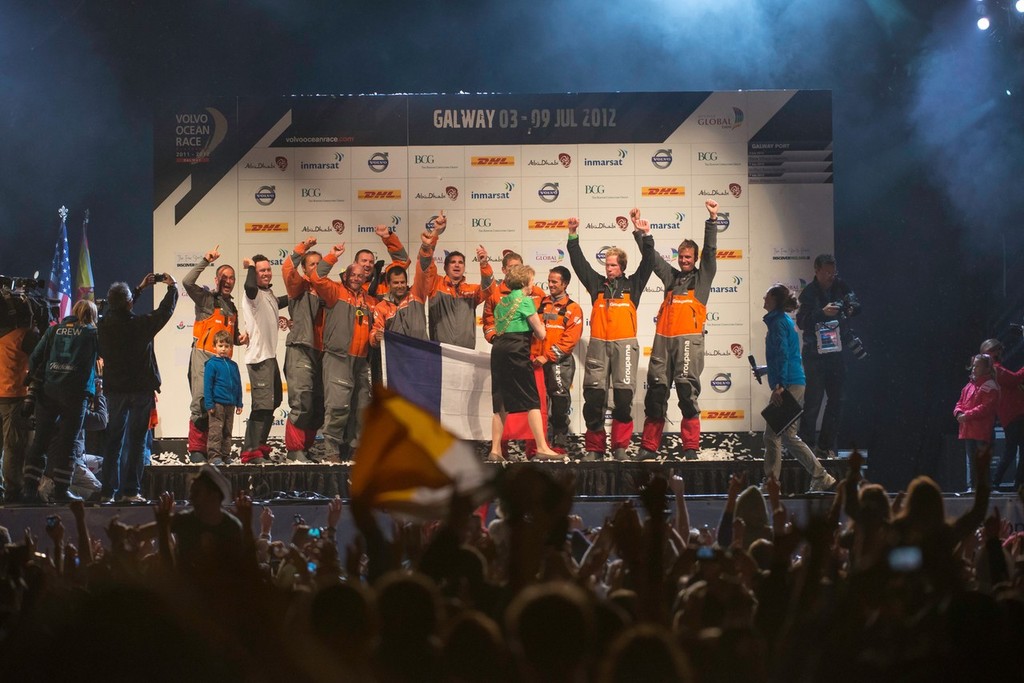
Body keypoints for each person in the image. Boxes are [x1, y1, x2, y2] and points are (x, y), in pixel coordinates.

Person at [635, 200, 720, 461]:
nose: (684, 260)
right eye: (681, 257)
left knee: (686, 394)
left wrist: (712, 220)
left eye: (688, 258)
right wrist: (642, 234)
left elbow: (710, 253)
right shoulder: (670, 278)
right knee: (656, 394)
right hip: (663, 343)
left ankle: (691, 448)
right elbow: (653, 259)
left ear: (695, 260)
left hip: (688, 343)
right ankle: (649, 448)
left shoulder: (702, 278)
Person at [566, 214, 656, 460]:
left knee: (623, 399)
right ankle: (595, 449)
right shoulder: (596, 284)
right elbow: (579, 263)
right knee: (594, 397)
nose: (608, 268)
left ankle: (620, 447)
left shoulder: (633, 285)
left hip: (625, 348)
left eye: (613, 265)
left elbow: (649, 261)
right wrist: (573, 235)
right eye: (606, 265)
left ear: (622, 267)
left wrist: (644, 235)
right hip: (598, 347)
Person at [98, 274, 177, 504]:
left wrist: (139, 289)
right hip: (140, 391)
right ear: (130, 302)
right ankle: (131, 491)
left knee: (113, 440)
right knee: (137, 440)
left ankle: (107, 493)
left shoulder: (103, 325)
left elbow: (118, 309)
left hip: (115, 391)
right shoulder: (141, 325)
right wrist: (172, 288)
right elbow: (165, 312)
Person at [21, 299, 100, 503]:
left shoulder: (54, 331)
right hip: (75, 394)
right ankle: (61, 490)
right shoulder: (92, 333)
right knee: (68, 443)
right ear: (91, 316)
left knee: (40, 440)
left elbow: (35, 358)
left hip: (49, 391)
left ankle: (29, 489)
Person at [760, 283, 836, 492]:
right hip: (793, 382)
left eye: (766, 296)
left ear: (775, 300)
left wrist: (780, 386)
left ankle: (772, 484)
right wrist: (765, 370)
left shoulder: (777, 323)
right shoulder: (781, 321)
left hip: (789, 384)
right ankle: (822, 477)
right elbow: (785, 356)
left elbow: (784, 356)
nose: (763, 300)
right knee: (788, 436)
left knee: (772, 435)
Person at [487, 264, 562, 461]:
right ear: (524, 283)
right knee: (532, 399)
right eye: (531, 280)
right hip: (517, 349)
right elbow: (541, 333)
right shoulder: (526, 301)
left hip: (499, 350)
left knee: (500, 402)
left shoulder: (502, 302)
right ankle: (542, 447)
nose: (532, 284)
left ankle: (495, 450)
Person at [309, 245, 376, 462]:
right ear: (345, 276)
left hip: (361, 360)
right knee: (337, 405)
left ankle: (356, 449)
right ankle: (331, 451)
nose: (356, 278)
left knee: (361, 408)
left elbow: (384, 315)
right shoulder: (335, 291)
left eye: (360, 275)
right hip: (337, 356)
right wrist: (332, 256)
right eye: (352, 275)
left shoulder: (368, 300)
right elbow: (317, 277)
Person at [796, 254, 863, 458]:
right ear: (816, 271)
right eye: (826, 272)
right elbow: (801, 322)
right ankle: (806, 446)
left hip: (836, 352)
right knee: (813, 401)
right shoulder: (808, 293)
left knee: (838, 400)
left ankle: (824, 446)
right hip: (815, 355)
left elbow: (856, 305)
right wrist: (822, 312)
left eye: (833, 272)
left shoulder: (841, 286)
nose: (830, 276)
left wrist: (850, 308)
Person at [182, 245, 243, 463]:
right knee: (200, 401)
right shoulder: (206, 299)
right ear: (217, 280)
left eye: (232, 277)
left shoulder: (233, 308)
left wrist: (239, 339)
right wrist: (205, 260)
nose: (228, 281)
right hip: (203, 356)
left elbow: (232, 336)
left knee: (220, 407)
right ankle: (197, 449)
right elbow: (187, 282)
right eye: (224, 277)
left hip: (223, 362)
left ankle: (216, 451)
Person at [418, 210, 495, 349]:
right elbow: (425, 263)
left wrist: (484, 264)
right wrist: (433, 235)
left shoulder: (472, 290)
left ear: (464, 267)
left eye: (460, 262)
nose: (457, 265)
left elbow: (489, 289)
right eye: (453, 262)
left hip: (466, 353)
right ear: (446, 267)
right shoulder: (436, 285)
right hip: (441, 352)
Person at [239, 254, 288, 464]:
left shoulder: (267, 293)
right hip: (259, 357)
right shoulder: (253, 293)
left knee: (274, 400)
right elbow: (249, 285)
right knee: (262, 405)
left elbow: (282, 302)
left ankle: (259, 444)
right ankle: (250, 450)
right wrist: (250, 266)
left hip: (270, 356)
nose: (267, 273)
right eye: (262, 271)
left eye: (268, 269)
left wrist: (302, 290)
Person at [281, 238, 326, 463]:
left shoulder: (327, 289)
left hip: (321, 352)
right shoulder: (299, 286)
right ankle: (294, 450)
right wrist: (301, 249)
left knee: (318, 404)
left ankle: (305, 449)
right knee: (302, 401)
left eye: (320, 263)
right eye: (312, 264)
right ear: (304, 269)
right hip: (300, 348)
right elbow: (287, 268)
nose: (317, 267)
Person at [533, 266, 584, 451]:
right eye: (549, 281)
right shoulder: (540, 303)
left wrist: (548, 357)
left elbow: (569, 340)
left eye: (555, 282)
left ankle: (560, 436)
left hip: (559, 363)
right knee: (538, 402)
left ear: (565, 283)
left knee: (560, 400)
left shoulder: (573, 308)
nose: (551, 285)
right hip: (537, 361)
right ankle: (540, 440)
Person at [0, 287, 40, 502]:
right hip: (14, 396)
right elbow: (41, 358)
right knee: (13, 448)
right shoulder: (23, 335)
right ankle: (13, 491)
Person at [979, 339, 1024, 489]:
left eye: (998, 350)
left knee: (1014, 450)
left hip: (1014, 414)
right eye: (994, 350)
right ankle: (997, 482)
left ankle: (1016, 484)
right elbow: (1014, 379)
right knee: (1011, 450)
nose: (997, 353)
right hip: (1014, 414)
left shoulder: (994, 369)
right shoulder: (994, 369)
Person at [953, 353, 999, 491]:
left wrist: (967, 415)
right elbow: (959, 403)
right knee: (971, 461)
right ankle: (972, 487)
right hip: (968, 429)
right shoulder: (969, 385)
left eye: (978, 366)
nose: (974, 368)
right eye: (973, 366)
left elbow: (985, 408)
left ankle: (985, 488)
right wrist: (958, 412)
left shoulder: (990, 385)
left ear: (986, 369)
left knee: (982, 461)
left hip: (982, 430)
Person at [204, 330, 244, 466]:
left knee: (227, 431)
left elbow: (238, 384)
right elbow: (208, 386)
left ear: (230, 348)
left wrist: (239, 403)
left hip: (231, 404)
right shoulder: (211, 364)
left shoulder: (234, 365)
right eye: (220, 346)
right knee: (216, 431)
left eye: (226, 346)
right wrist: (209, 404)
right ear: (215, 347)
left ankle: (226, 455)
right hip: (217, 404)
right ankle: (214, 456)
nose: (223, 349)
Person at [370, 264, 429, 348]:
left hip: (419, 354)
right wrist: (375, 337)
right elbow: (376, 330)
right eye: (396, 283)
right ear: (389, 284)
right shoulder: (381, 307)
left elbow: (423, 273)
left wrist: (425, 253)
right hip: (397, 357)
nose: (400, 286)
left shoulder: (416, 297)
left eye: (402, 282)